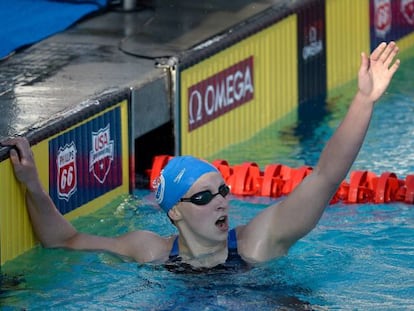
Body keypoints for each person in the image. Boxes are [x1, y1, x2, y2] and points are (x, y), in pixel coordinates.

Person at [2, 41, 400, 269]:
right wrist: (32, 185)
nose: (222, 201)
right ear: (174, 211)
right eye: (205, 196)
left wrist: (364, 99)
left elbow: (326, 177)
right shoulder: (150, 250)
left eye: (223, 190)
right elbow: (65, 240)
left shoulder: (259, 242)